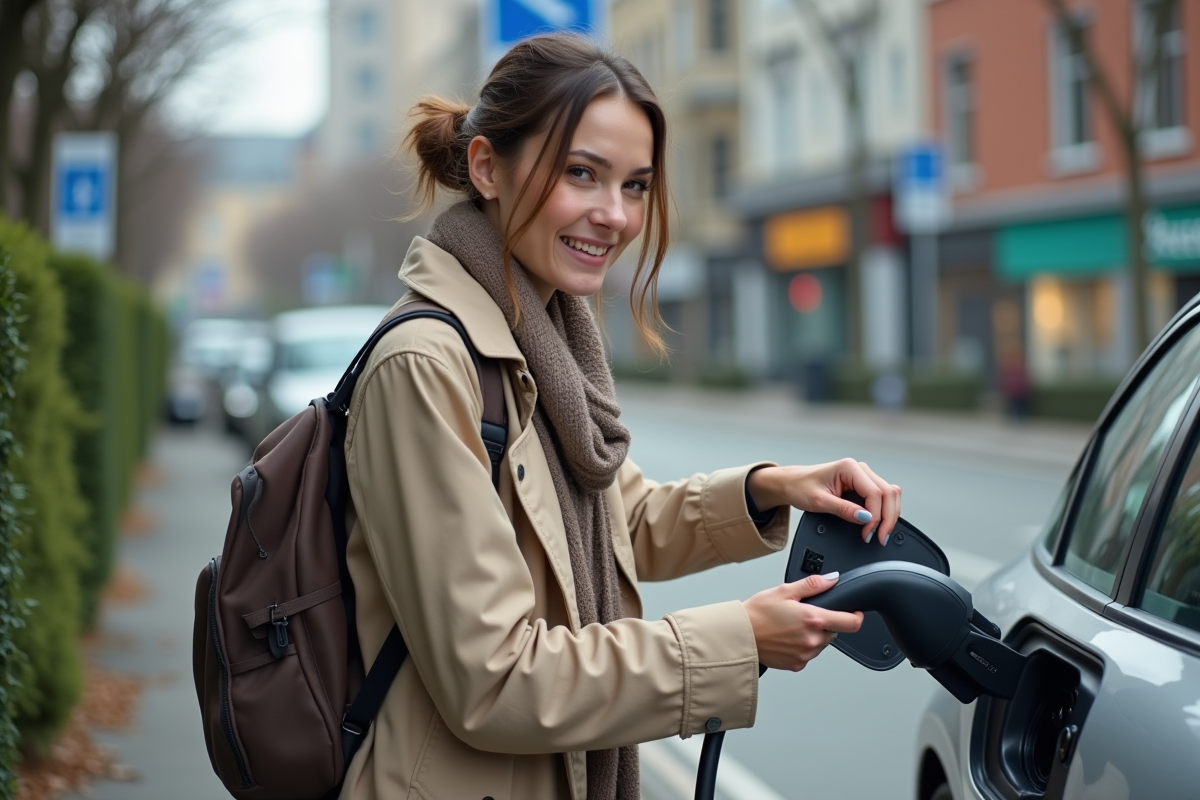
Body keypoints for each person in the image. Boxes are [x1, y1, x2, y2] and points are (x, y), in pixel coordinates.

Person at [340, 34, 902, 800]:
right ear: (485, 169)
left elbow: (614, 524)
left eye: (635, 185)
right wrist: (736, 641)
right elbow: (495, 677)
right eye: (582, 174)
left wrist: (771, 488)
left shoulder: (539, 335)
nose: (615, 215)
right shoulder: (430, 367)